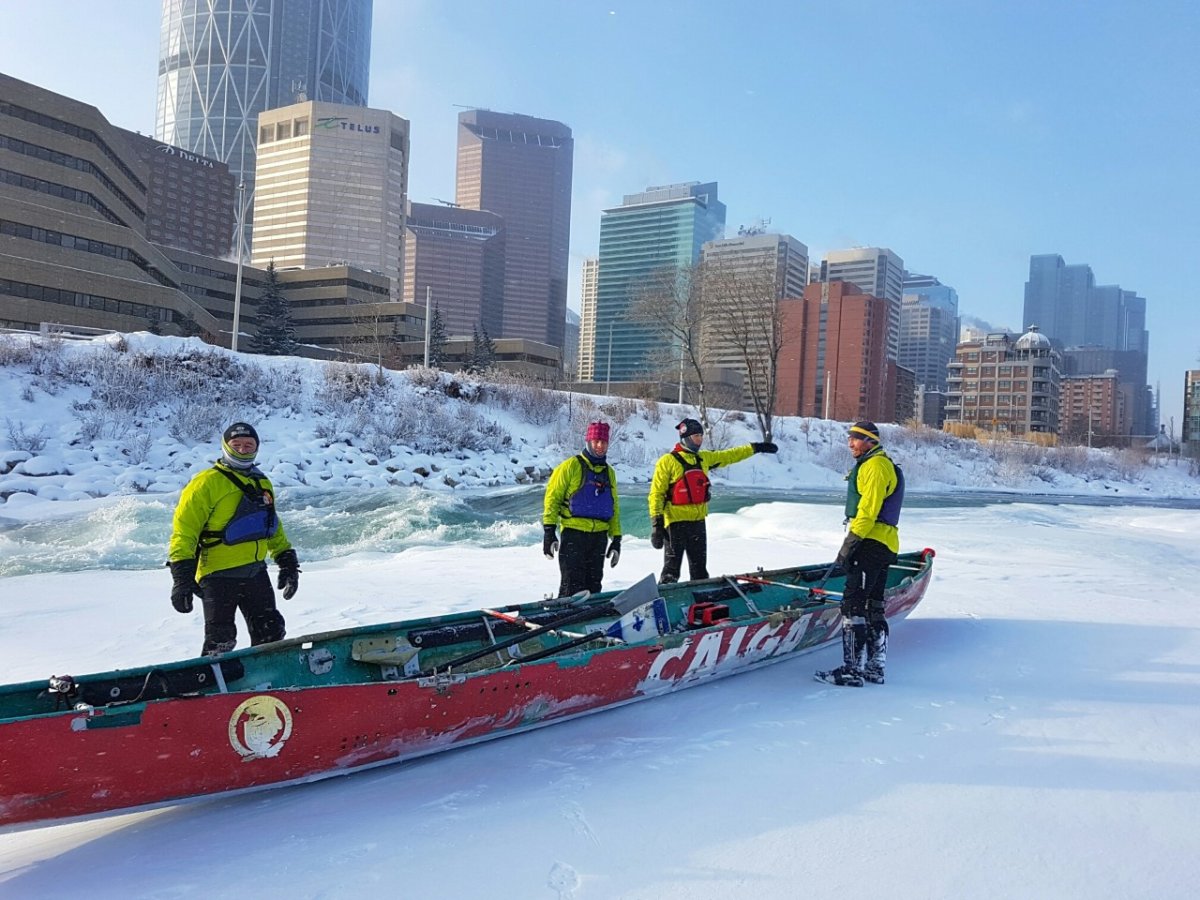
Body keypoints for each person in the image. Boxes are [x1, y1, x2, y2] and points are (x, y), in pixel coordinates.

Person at [168, 422, 299, 657]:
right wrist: (181, 578)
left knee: (271, 633)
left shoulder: (262, 482)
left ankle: (266, 683)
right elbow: (184, 531)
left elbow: (271, 524)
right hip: (218, 575)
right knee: (221, 641)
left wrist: (286, 560)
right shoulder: (205, 483)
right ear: (225, 446)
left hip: (255, 571)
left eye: (248, 445)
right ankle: (212, 688)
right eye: (236, 445)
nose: (242, 450)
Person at [815, 421, 904, 687]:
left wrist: (850, 544)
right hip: (882, 544)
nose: (850, 443)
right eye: (849, 438)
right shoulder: (878, 463)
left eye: (855, 438)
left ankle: (853, 670)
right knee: (873, 606)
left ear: (869, 441)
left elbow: (868, 509)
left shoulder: (875, 467)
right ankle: (875, 668)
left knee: (853, 604)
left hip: (870, 543)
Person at [649, 418, 777, 584]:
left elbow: (730, 455)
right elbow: (656, 494)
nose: (700, 439)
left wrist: (756, 448)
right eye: (696, 435)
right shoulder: (667, 461)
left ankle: (701, 602)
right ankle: (665, 602)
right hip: (674, 524)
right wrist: (657, 525)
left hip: (697, 523)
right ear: (685, 436)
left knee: (699, 570)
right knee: (671, 572)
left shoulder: (704, 458)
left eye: (701, 435)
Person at [542, 421, 622, 597]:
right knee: (572, 587)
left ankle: (589, 623)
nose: (600, 446)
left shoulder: (609, 473)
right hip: (574, 535)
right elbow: (552, 499)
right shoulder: (570, 466)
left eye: (604, 442)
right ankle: (563, 617)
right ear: (588, 442)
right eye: (596, 442)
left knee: (594, 587)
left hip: (599, 538)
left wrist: (616, 539)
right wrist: (549, 531)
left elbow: (613, 506)